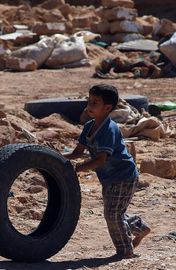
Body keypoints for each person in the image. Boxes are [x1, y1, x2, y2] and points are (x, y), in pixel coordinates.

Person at [64, 84, 151, 259]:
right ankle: (140, 228)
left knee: (112, 214)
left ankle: (125, 250)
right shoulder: (89, 126)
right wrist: (56, 157)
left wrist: (78, 169)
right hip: (109, 178)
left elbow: (100, 159)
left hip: (124, 176)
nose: (89, 106)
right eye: (89, 101)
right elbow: (77, 153)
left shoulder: (109, 129)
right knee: (115, 212)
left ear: (108, 108)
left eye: (95, 103)